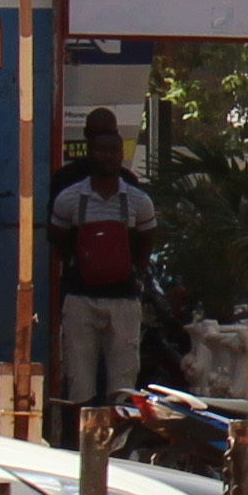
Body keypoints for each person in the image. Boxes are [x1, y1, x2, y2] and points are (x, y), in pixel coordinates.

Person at [47, 108, 160, 437]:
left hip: (123, 301)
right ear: (89, 148)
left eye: (113, 150)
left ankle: (119, 448)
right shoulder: (68, 196)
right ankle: (80, 446)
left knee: (122, 384)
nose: (107, 156)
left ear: (121, 153)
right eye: (100, 148)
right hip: (80, 299)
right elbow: (59, 242)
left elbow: (146, 245)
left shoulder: (138, 200)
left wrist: (130, 273)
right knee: (78, 381)